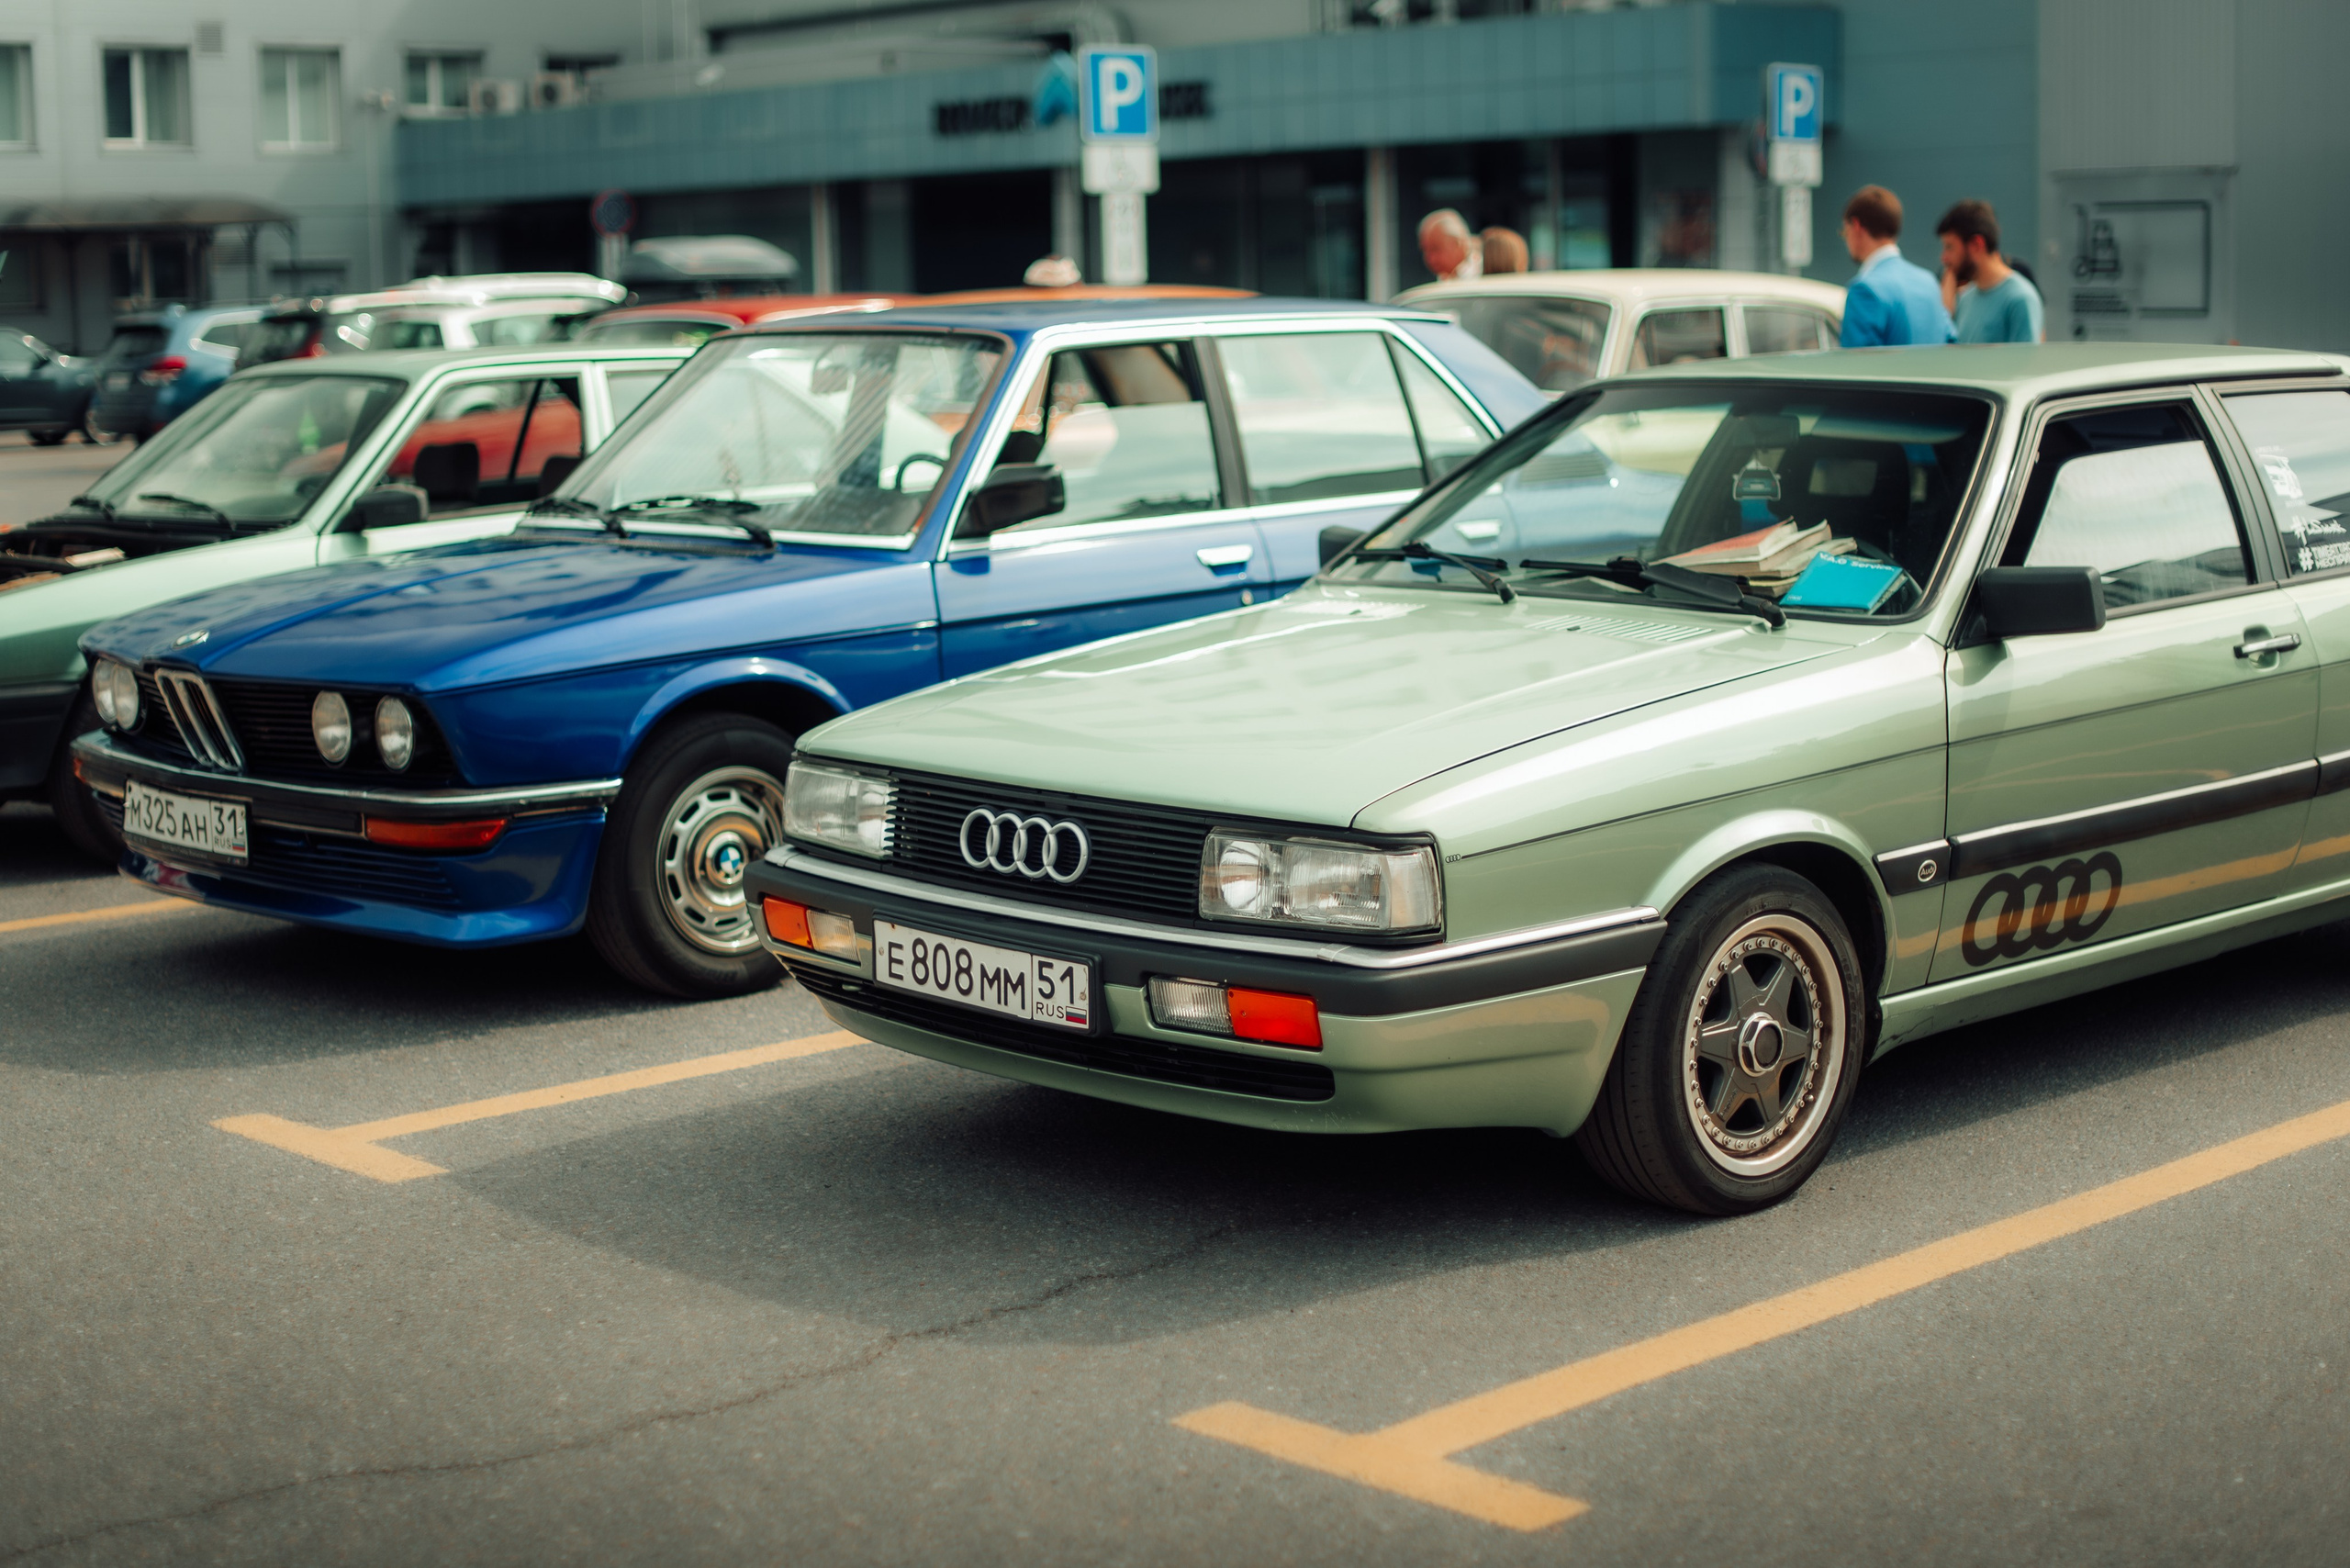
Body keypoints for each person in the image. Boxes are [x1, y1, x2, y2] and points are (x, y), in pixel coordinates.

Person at [1837, 185, 1953, 348]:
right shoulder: (1929, 283)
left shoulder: (1864, 290)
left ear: (1855, 226)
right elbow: (1951, 339)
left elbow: (1854, 368)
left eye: (1844, 231)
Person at [1935, 199, 2044, 343]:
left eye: (1949, 247)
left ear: (1976, 244)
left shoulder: (2020, 299)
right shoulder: (1966, 298)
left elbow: (2027, 364)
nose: (1944, 258)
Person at [1418, 209, 1481, 283]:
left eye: (1435, 249)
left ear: (1457, 244)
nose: (1430, 258)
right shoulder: (1445, 278)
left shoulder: (1487, 270)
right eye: (1424, 250)